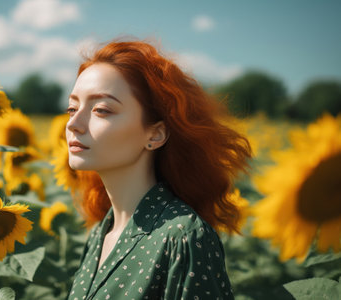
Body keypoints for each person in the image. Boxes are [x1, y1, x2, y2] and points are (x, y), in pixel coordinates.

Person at [65, 39, 251, 300]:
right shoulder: (100, 233)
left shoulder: (183, 238)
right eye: (72, 108)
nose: (74, 123)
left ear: (155, 135)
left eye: (102, 109)